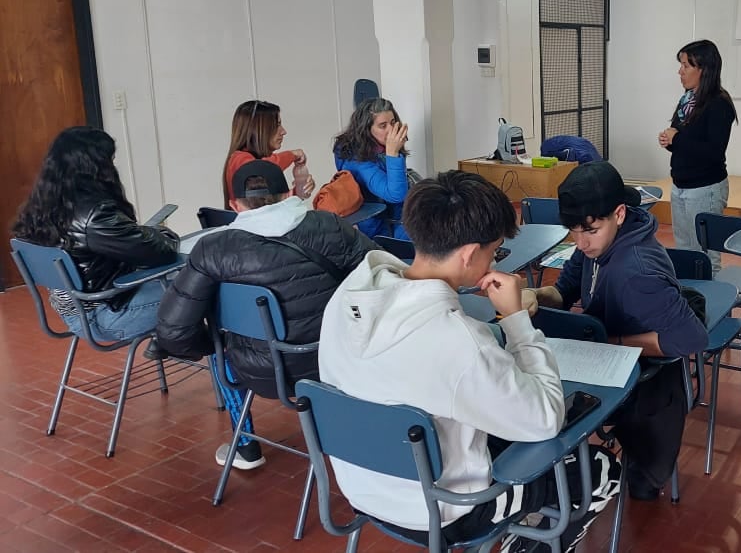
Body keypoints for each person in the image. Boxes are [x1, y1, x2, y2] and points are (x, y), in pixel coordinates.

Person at [318, 170, 618, 551]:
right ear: (468, 254)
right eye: (494, 251)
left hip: (361, 486)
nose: (495, 260)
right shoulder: (459, 343)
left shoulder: (347, 296)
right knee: (601, 470)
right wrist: (517, 322)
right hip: (443, 510)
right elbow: (544, 419)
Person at [156, 160, 377, 469]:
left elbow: (173, 331)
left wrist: (216, 344)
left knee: (221, 348)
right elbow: (381, 276)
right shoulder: (329, 226)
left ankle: (245, 446)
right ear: (287, 194)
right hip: (335, 361)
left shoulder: (213, 249)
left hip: (255, 370)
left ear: (234, 204)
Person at [527, 161, 708, 500]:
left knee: (642, 484)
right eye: (573, 231)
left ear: (620, 214)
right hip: (609, 359)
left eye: (589, 231)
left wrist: (613, 344)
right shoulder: (597, 241)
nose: (580, 243)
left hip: (648, 385)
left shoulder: (636, 272)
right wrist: (536, 297)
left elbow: (691, 338)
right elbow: (566, 287)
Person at [12, 126, 179, 342]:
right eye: (109, 159)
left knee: (188, 288)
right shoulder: (94, 214)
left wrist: (138, 233)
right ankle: (192, 348)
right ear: (95, 166)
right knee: (203, 289)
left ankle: (172, 342)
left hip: (74, 311)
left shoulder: (44, 204)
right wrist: (163, 235)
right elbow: (160, 254)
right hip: (105, 315)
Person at [658, 39, 737, 272]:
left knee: (706, 256)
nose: (679, 72)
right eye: (681, 65)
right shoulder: (687, 100)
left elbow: (713, 151)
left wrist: (678, 139)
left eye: (685, 66)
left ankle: (711, 306)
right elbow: (683, 140)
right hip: (681, 185)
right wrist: (669, 140)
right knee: (684, 251)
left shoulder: (719, 103)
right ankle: (691, 303)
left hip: (705, 189)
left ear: (703, 69)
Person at [333, 97, 412, 240]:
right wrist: (393, 154)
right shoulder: (355, 159)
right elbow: (395, 194)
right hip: (378, 231)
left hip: (397, 220)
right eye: (383, 126)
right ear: (366, 129)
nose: (391, 129)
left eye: (393, 123)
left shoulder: (381, 146)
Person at [221, 100, 315, 205]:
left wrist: (298, 192)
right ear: (258, 129)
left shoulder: (245, 160)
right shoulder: (239, 159)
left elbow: (268, 206)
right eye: (277, 125)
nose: (283, 131)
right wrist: (292, 155)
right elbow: (263, 169)